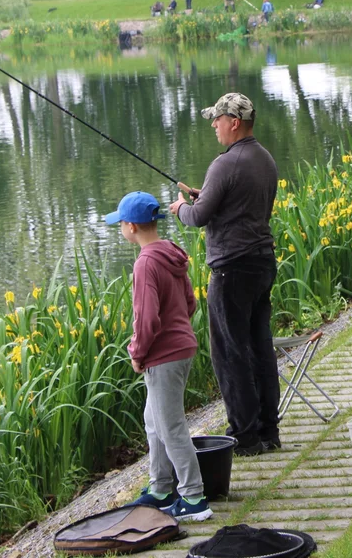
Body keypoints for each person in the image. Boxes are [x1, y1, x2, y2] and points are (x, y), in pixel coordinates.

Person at [169, 93, 279, 456]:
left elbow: (198, 218)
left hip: (232, 270)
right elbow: (243, 206)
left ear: (234, 121)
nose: (213, 124)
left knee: (231, 354)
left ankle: (245, 439)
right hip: (262, 263)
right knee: (260, 350)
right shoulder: (264, 158)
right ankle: (268, 432)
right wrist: (208, 197)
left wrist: (183, 208)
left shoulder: (225, 164)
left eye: (217, 119)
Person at [105, 191, 212, 522]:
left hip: (163, 355)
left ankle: (194, 497)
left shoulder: (146, 263)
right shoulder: (170, 253)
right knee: (154, 421)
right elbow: (190, 303)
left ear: (132, 227)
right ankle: (161, 488)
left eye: (121, 223)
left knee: (170, 425)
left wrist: (138, 351)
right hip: (181, 347)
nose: (120, 228)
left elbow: (146, 318)